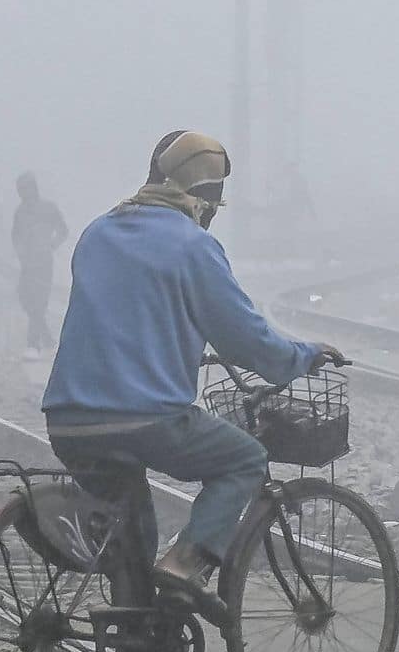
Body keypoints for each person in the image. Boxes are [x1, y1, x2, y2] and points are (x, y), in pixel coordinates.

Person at [42, 130, 341, 602]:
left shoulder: (97, 233)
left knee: (132, 531)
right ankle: (185, 564)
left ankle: (135, 650)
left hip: (68, 420)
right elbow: (246, 339)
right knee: (245, 458)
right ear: (203, 197)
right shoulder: (192, 246)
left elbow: (124, 311)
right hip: (146, 420)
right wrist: (302, 356)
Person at [11, 171, 69, 358]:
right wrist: (20, 251)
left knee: (39, 301)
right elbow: (16, 235)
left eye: (26, 188)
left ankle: (32, 344)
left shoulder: (48, 208)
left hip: (44, 262)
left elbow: (63, 230)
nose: (24, 193)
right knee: (25, 298)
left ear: (33, 188)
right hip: (27, 263)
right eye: (21, 190)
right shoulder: (20, 212)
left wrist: (51, 245)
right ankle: (48, 340)